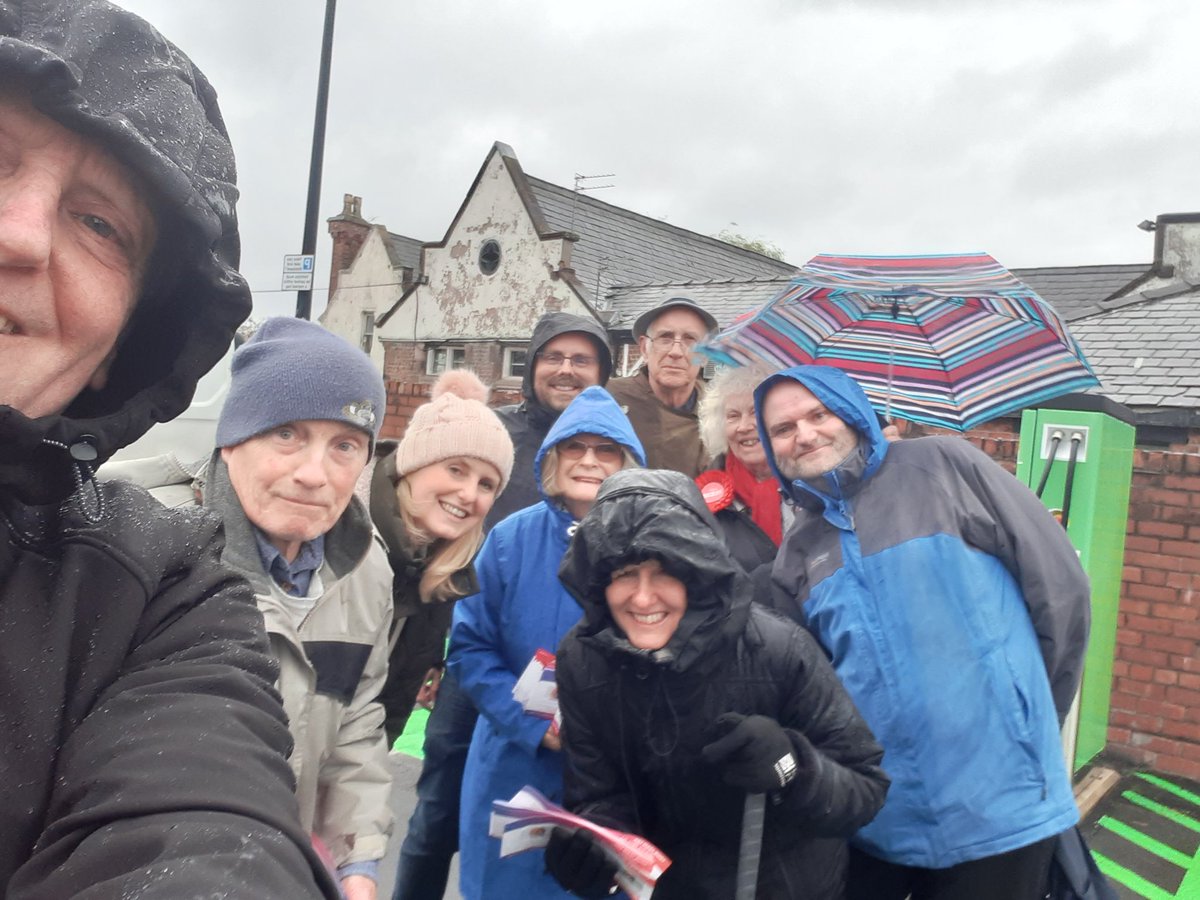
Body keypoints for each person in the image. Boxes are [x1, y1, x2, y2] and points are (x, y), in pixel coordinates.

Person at [0, 2, 336, 896]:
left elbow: (209, 823)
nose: (20, 233)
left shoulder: (159, 599)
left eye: (99, 224)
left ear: (118, 351)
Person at [756, 365, 1091, 900]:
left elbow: (1061, 591)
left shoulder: (947, 465)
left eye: (819, 413)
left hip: (1002, 801)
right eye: (783, 428)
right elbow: (817, 689)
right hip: (883, 820)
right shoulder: (797, 553)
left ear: (853, 413)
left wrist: (1031, 716)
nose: (805, 434)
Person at [545, 469, 889, 899]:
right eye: (625, 574)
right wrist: (594, 849)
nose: (643, 598)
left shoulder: (776, 648)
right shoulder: (583, 660)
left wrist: (790, 766)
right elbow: (599, 792)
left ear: (698, 573)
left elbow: (866, 790)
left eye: (665, 572)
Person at [392, 312, 610, 900]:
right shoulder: (495, 432)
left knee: (550, 828)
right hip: (480, 653)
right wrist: (433, 650)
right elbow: (440, 542)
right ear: (533, 364)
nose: (565, 369)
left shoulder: (614, 465)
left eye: (581, 359)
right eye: (553, 356)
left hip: (571, 691)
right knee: (439, 809)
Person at [448, 386, 645, 899]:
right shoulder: (509, 539)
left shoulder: (648, 545)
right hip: (515, 766)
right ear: (552, 458)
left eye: (605, 450)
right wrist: (530, 723)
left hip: (612, 777)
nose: (588, 461)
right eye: (574, 448)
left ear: (627, 462)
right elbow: (470, 647)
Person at [370, 368, 514, 743]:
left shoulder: (437, 566)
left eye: (487, 484)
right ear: (414, 465)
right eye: (455, 469)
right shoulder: (343, 542)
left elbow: (388, 712)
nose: (469, 494)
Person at [607, 297, 717, 478]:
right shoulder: (609, 399)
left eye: (690, 340)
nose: (675, 352)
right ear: (644, 348)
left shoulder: (720, 409)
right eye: (665, 338)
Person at [696, 365, 786, 575]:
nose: (744, 426)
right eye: (733, 416)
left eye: (755, 412)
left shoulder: (812, 486)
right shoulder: (702, 498)